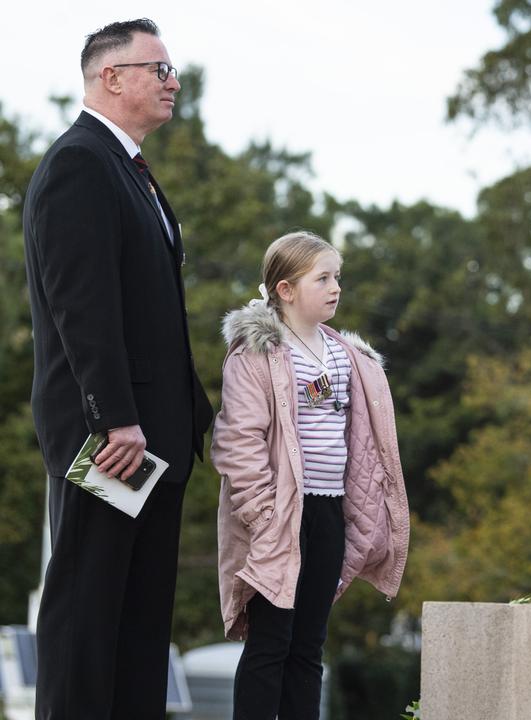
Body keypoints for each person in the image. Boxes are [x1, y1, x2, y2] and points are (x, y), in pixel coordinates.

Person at [22, 18, 214, 719]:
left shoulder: (131, 170)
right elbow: (84, 306)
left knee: (138, 624)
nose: (173, 81)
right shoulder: (80, 163)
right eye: (159, 69)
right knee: (88, 609)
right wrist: (115, 420)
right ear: (112, 77)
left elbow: (155, 317)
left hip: (155, 440)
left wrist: (202, 422)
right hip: (111, 438)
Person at [212, 231, 409, 719]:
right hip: (279, 515)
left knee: (308, 647)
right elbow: (238, 441)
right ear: (285, 289)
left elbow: (364, 441)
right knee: (270, 644)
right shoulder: (257, 353)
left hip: (328, 511)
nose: (335, 287)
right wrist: (263, 514)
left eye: (337, 277)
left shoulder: (347, 355)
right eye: (322, 278)